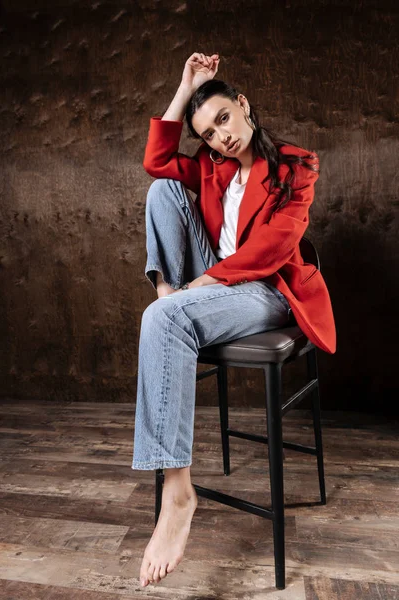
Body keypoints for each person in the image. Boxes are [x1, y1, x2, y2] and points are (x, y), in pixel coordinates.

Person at [133, 52, 336, 587]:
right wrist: (184, 90)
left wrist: (210, 282)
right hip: (207, 279)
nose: (220, 137)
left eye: (223, 118)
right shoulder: (211, 165)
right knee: (162, 190)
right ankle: (165, 292)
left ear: (242, 106)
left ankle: (178, 497)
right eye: (207, 132)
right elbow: (157, 160)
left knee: (162, 323)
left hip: (264, 289)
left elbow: (276, 244)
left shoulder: (296, 164)